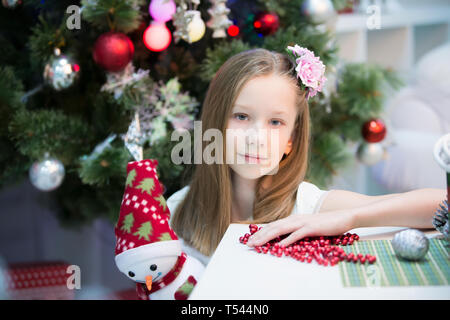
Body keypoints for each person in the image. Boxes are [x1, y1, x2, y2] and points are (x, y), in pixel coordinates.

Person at [166, 46, 446, 267]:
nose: (256, 137)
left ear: (291, 139)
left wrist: (350, 218)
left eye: (275, 122)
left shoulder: (308, 207)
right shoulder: (176, 211)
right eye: (241, 116)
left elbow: (440, 204)